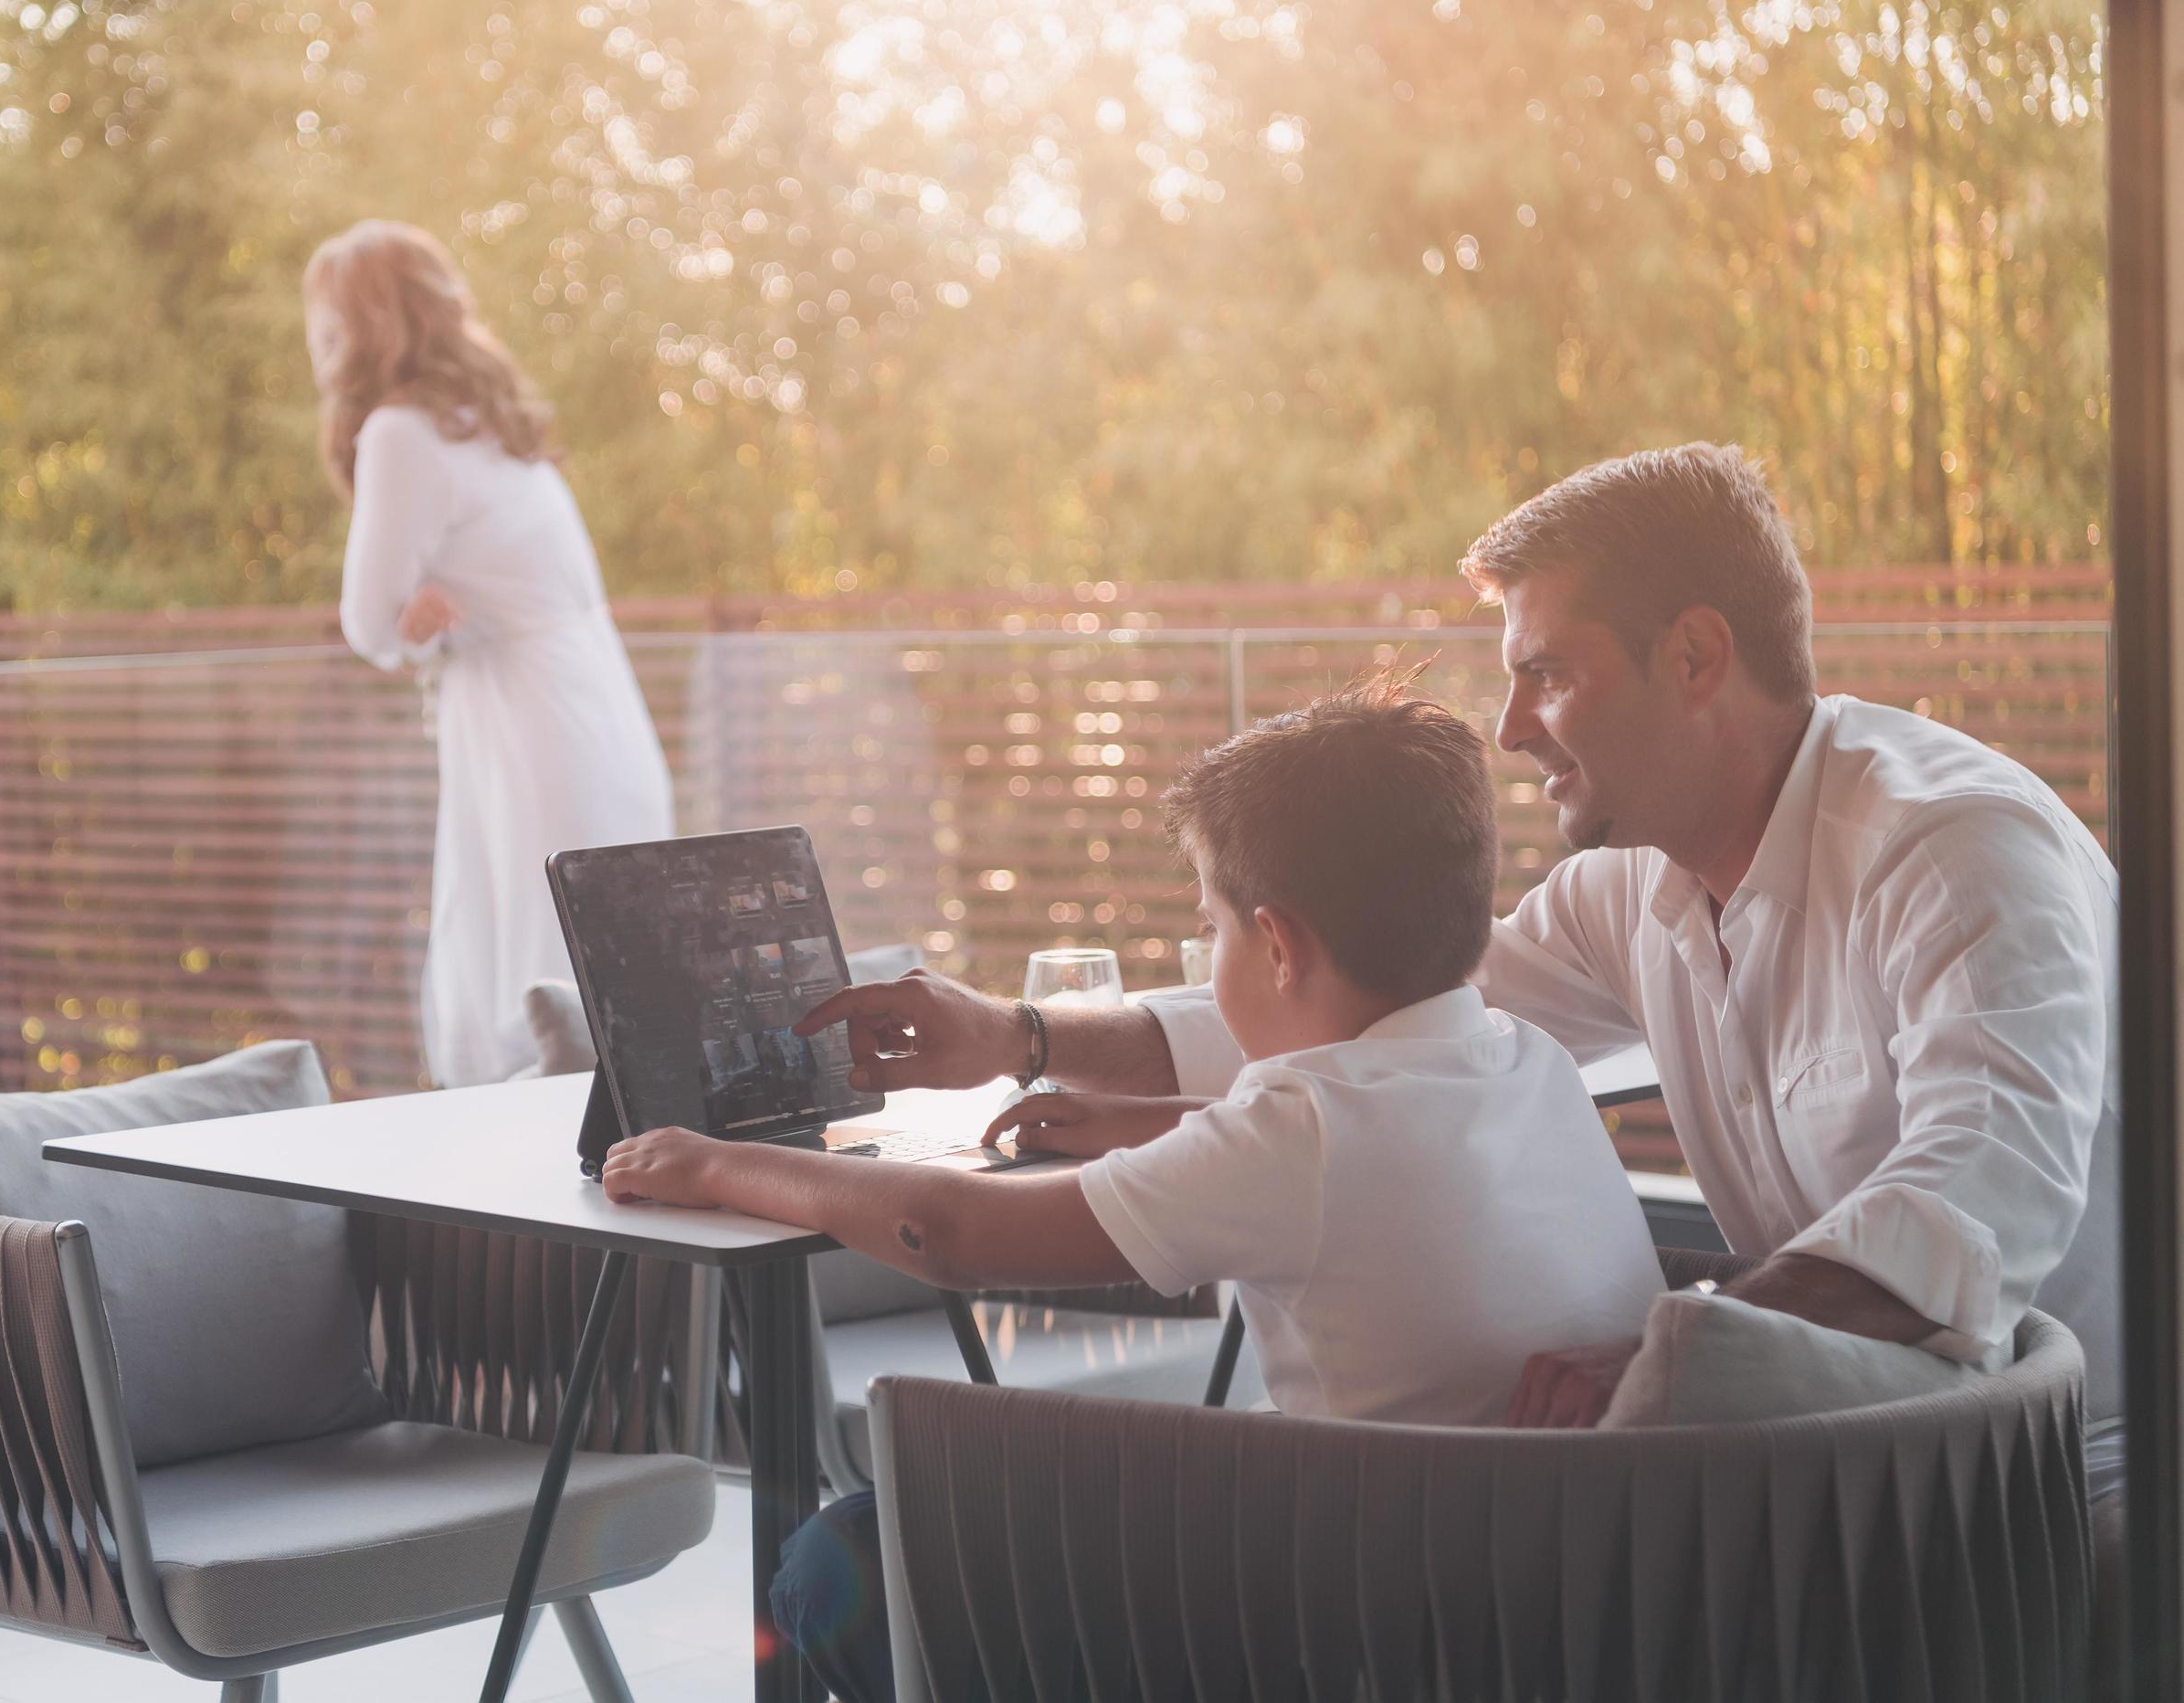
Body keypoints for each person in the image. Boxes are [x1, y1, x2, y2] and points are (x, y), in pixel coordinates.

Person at [807, 443, 2125, 1494]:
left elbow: (1967, 1217)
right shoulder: (1637, 884)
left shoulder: (1954, 852)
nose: (1506, 731)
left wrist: (1676, 1355)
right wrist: (1021, 1035)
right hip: (1822, 1457)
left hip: (2067, 1478)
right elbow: (1368, 1002)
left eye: (1546, 676)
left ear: (1696, 656)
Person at [600, 678, 1666, 1703]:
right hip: (1540, 1611)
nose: (1209, 954)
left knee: (841, 1552)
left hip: (1356, 1638)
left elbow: (952, 1229)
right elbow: (1375, 1161)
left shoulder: (1300, 1132)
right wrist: (1151, 1122)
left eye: (1212, 927)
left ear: (1281, 944)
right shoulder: (1524, 1059)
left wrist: (713, 1162)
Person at [305, 220, 673, 1086]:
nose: (318, 348)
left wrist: (408, 626)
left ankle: (507, 1200)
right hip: (600, 711)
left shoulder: (399, 432)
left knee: (523, 959)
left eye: (328, 325)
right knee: (596, 964)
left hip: (524, 724)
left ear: (370, 328)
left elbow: (365, 622)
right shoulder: (493, 423)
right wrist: (421, 621)